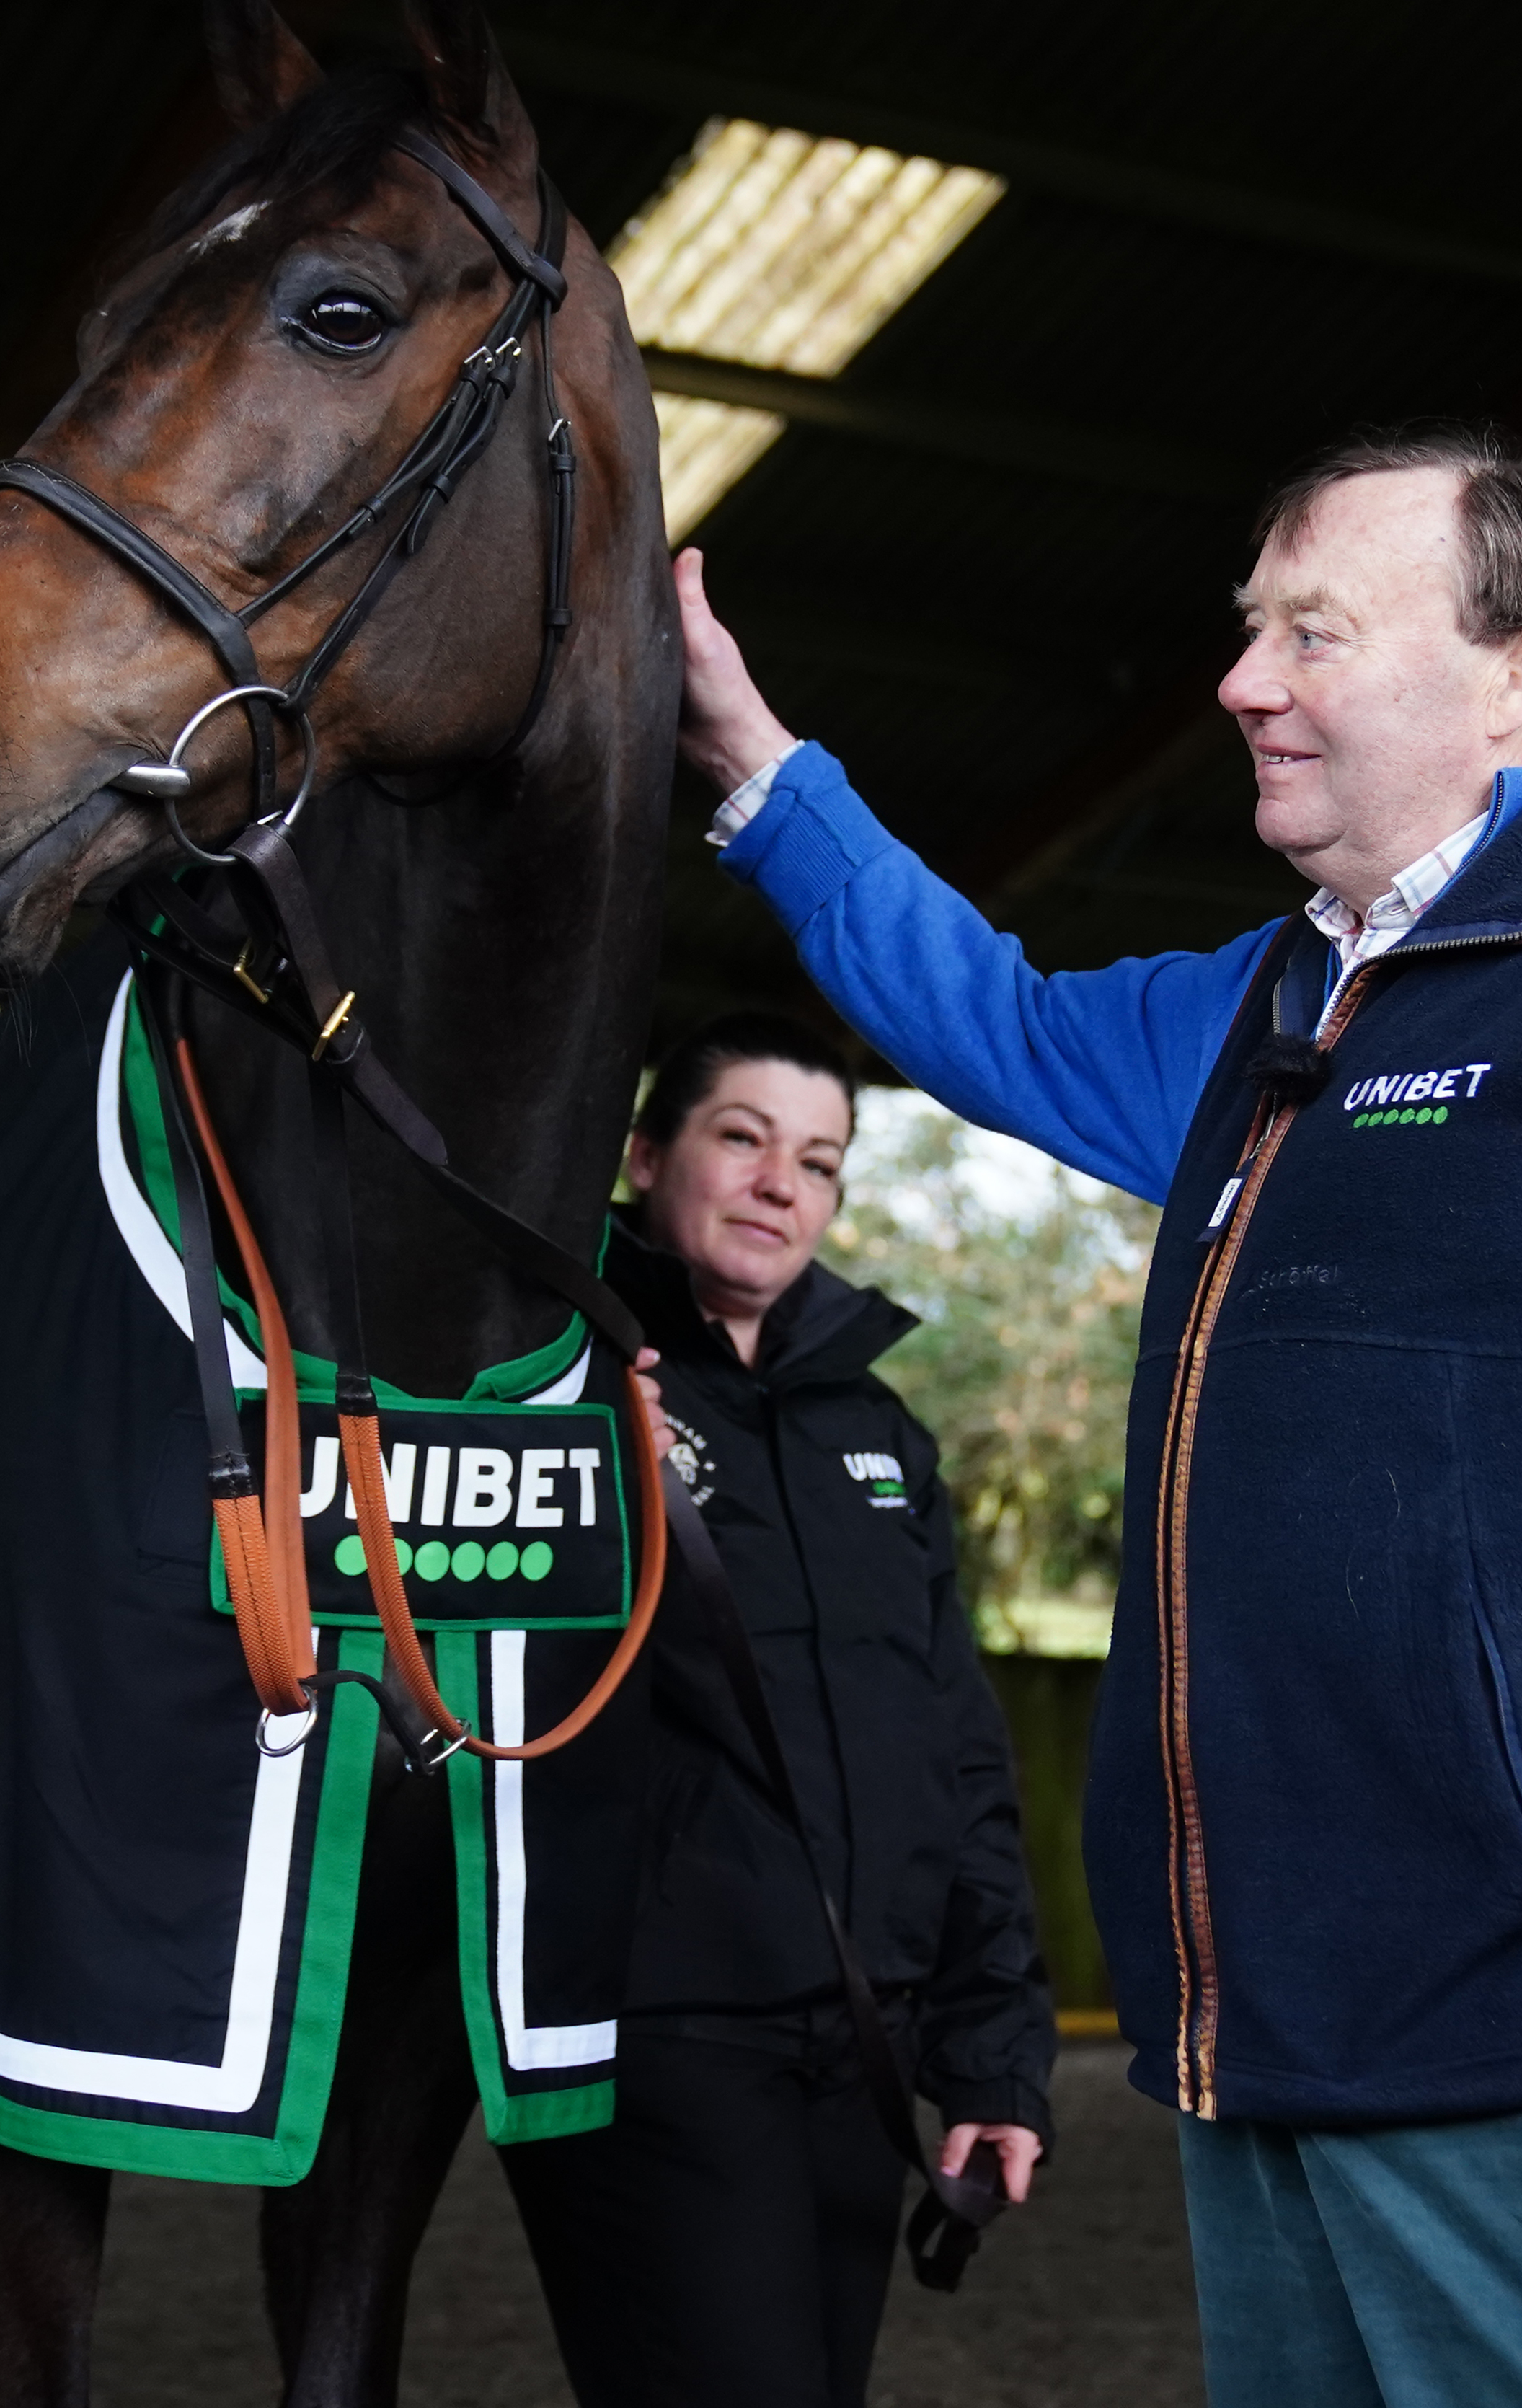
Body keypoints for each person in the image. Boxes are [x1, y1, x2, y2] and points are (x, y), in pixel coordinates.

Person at [664, 426, 1522, 2407]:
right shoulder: (1279, 1000)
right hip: (1276, 2047)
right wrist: (758, 765)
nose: (1242, 680)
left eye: (1311, 632)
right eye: (1249, 629)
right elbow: (996, 1016)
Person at [497, 1012, 1058, 2408]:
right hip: (660, 2032)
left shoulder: (876, 1429)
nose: (776, 1185)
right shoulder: (539, 1386)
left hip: (862, 2039)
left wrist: (989, 2059)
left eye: (816, 1161)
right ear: (640, 1156)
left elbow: (955, 1755)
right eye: (738, 1138)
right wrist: (559, 1396)